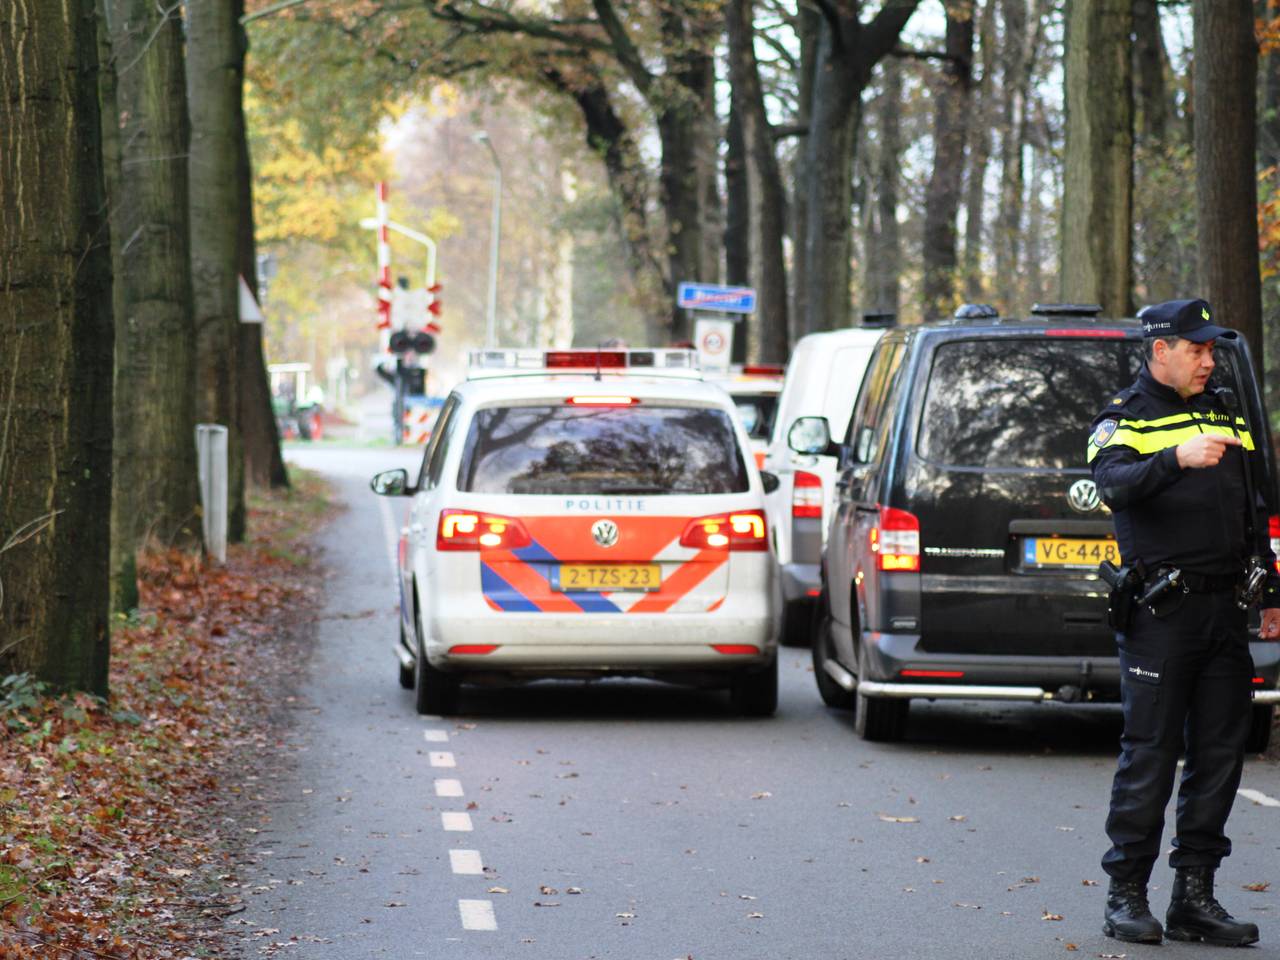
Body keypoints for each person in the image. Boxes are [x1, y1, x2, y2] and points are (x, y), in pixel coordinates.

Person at [1087, 298, 1280, 946]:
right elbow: (1111, 484)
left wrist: (1267, 585)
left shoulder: (1224, 410)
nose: (1206, 359)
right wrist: (1176, 459)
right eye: (1194, 349)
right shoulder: (1127, 416)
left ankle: (1193, 896)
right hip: (1161, 615)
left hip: (1224, 609)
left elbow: (1254, 503)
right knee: (1151, 755)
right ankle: (1126, 895)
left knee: (1221, 756)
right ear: (1159, 350)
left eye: (1209, 350)